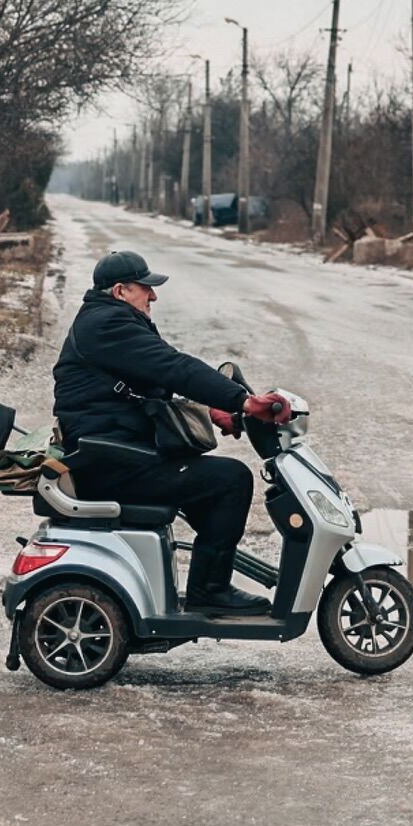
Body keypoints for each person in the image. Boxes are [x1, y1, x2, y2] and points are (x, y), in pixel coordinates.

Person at [52, 250, 288, 616]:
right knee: (230, 479)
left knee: (207, 478)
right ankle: (210, 590)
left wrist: (213, 410)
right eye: (145, 287)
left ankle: (210, 579)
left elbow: (154, 380)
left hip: (115, 453)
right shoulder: (107, 325)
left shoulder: (106, 321)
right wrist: (244, 401)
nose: (153, 295)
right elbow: (174, 367)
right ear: (120, 291)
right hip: (112, 462)